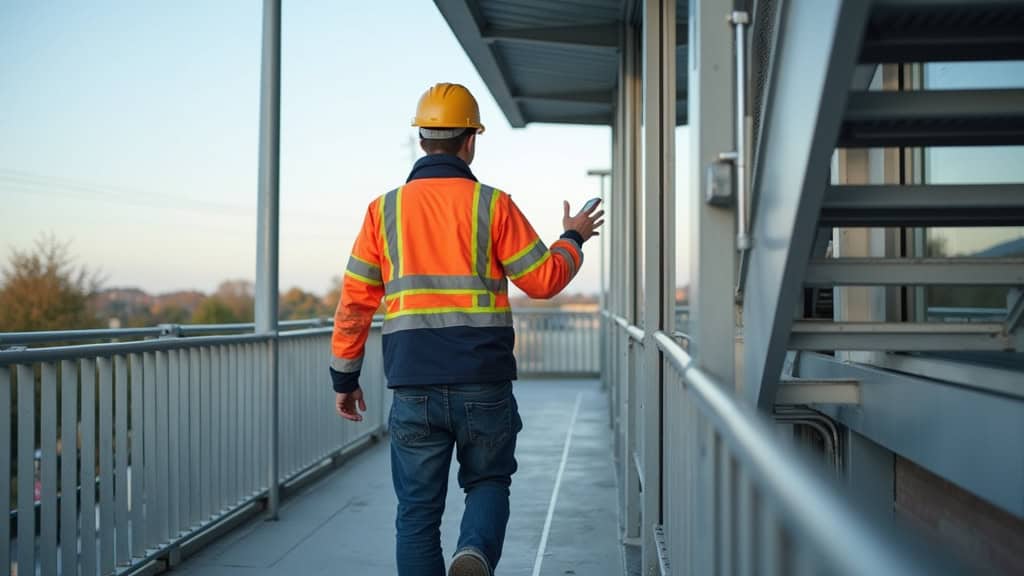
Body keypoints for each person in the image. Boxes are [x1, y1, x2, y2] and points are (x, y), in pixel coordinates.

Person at [329, 82, 603, 576]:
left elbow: (354, 304)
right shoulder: (492, 205)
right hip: (483, 379)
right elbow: (543, 280)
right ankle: (473, 553)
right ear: (471, 141)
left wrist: (344, 379)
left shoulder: (382, 211)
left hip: (413, 385)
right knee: (488, 483)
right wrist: (573, 238)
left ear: (421, 141)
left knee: (415, 513)